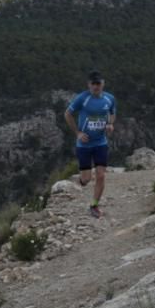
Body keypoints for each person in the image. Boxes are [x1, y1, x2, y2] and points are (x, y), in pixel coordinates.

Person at [64, 71, 117, 218]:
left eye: (98, 83)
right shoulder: (82, 98)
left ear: (103, 84)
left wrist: (110, 125)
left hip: (101, 143)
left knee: (100, 175)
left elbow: (112, 112)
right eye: (93, 83)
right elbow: (67, 114)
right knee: (86, 179)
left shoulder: (109, 98)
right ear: (88, 85)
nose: (96, 86)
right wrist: (78, 133)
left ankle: (94, 205)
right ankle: (81, 180)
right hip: (84, 145)